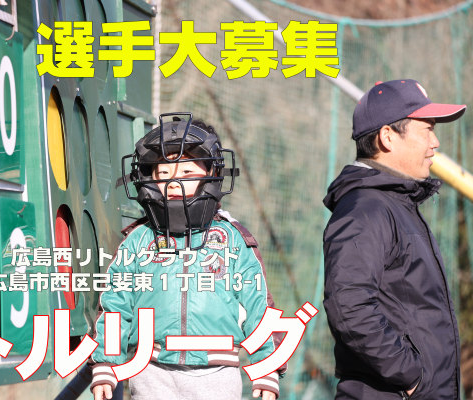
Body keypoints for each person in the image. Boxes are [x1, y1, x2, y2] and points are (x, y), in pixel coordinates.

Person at [89, 114, 284, 400]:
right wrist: (106, 362)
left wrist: (267, 367)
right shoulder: (139, 240)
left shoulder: (233, 240)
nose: (173, 183)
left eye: (187, 172)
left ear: (211, 174)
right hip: (151, 371)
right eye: (163, 174)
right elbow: (116, 302)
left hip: (218, 374)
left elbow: (258, 306)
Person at [322, 79, 466, 399]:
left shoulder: (396, 204)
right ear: (387, 137)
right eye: (426, 130)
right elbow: (349, 306)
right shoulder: (365, 208)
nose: (435, 142)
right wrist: (411, 377)